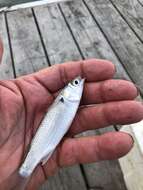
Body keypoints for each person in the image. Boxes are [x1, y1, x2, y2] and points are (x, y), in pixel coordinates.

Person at [0, 39, 143, 190]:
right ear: (65, 94)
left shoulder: (68, 100)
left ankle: (24, 171)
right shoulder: (66, 100)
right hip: (40, 146)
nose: (79, 83)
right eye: (75, 84)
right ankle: (25, 170)